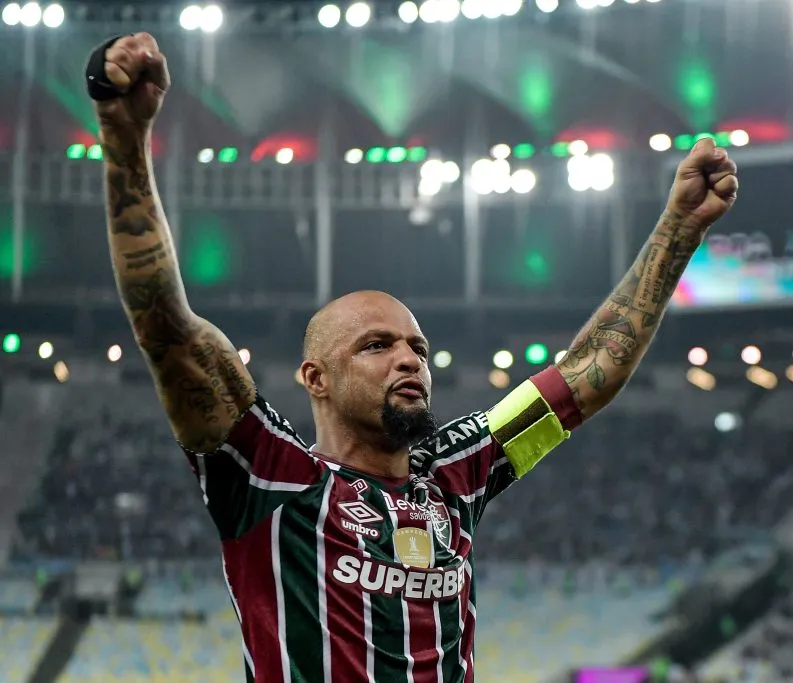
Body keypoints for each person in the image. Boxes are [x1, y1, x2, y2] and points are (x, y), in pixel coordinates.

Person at [89, 32, 737, 683]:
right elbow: (168, 330)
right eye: (376, 345)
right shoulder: (266, 474)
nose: (409, 360)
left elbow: (586, 372)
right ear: (314, 377)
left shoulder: (458, 469)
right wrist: (124, 141)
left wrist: (678, 230)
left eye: (417, 348)